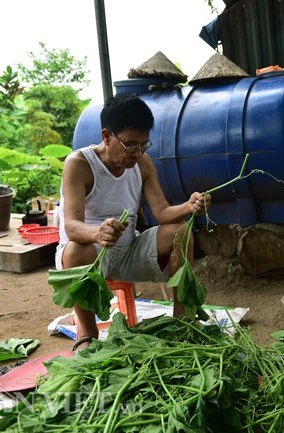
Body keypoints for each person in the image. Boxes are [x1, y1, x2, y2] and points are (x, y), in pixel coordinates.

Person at [55, 93, 209, 351]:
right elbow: (71, 226)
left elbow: (161, 212)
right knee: (75, 249)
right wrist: (97, 234)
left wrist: (189, 206)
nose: (136, 153)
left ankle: (183, 321)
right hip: (93, 255)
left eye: (143, 145)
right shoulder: (80, 164)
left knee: (182, 231)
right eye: (130, 145)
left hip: (128, 251)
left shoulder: (143, 164)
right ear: (107, 136)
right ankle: (88, 335)